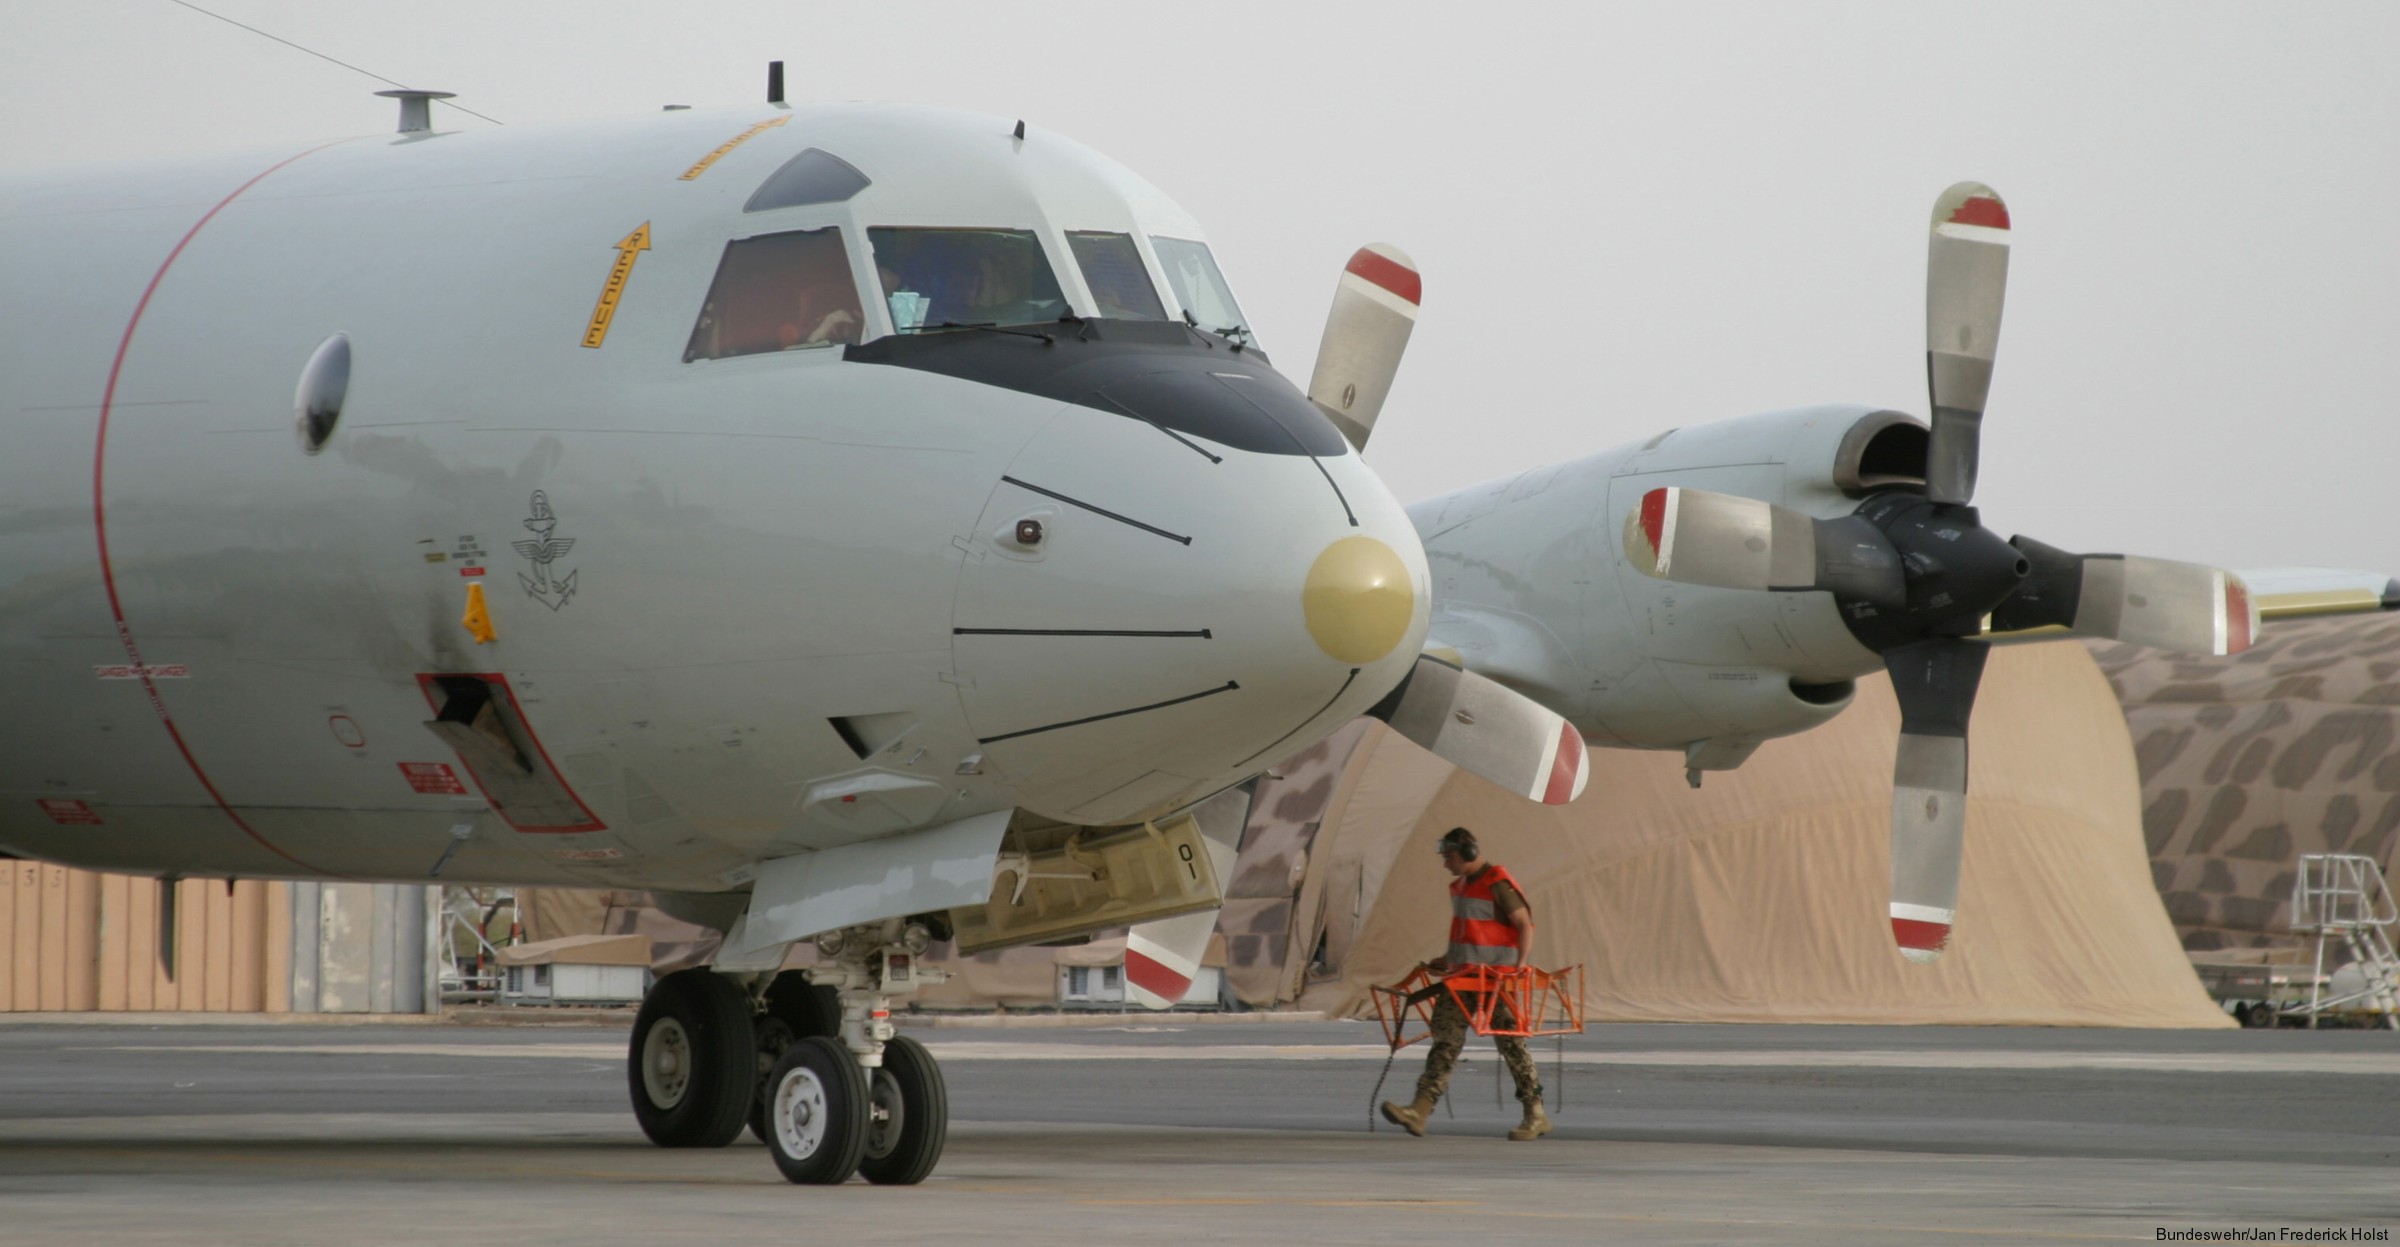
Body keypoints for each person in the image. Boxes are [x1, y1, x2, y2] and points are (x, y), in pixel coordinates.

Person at [1379, 826, 1550, 1141]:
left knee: (1511, 1044)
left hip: (1497, 982)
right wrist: (1448, 959)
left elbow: (1524, 923)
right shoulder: (1460, 887)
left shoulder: (1497, 883)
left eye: (1450, 857)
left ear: (1469, 853)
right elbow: (1471, 933)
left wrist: (1518, 966)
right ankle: (1420, 1109)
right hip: (1462, 980)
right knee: (1445, 1040)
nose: (1446, 863)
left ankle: (1535, 1113)